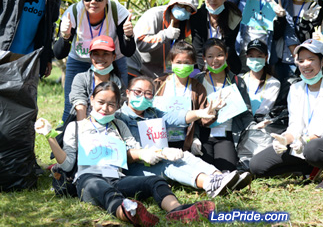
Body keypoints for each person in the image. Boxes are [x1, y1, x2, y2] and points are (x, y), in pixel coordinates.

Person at [35, 81, 215, 224]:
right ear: (91, 100)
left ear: (118, 106)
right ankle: (129, 213)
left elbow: (136, 148)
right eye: (100, 102)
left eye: (111, 104)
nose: (105, 108)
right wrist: (50, 137)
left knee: (155, 181)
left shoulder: (119, 126)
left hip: (117, 177)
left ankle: (177, 210)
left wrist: (160, 152)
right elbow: (66, 163)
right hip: (88, 179)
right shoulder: (76, 127)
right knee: (105, 192)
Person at [116, 76, 252, 197]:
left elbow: (177, 117)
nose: (143, 97)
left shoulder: (153, 113)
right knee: (168, 164)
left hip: (160, 157)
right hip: (137, 168)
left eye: (148, 94)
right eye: (138, 92)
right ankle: (208, 183)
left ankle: (220, 177)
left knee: (185, 155)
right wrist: (145, 154)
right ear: (127, 93)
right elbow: (122, 155)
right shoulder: (120, 118)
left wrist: (201, 112)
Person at [250, 39, 323, 188]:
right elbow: (295, 125)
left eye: (311, 59)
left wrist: (307, 139)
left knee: (313, 149)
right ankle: (309, 167)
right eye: (301, 60)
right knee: (257, 165)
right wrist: (285, 139)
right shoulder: (296, 89)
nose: (306, 65)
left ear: (322, 61)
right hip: (301, 145)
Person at [54, 0, 135, 122]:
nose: (93, 2)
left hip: (111, 61)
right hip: (79, 61)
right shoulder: (73, 13)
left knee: (117, 104)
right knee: (72, 106)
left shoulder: (118, 12)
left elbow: (128, 51)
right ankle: (68, 142)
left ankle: (118, 140)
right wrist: (64, 36)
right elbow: (59, 53)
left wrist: (128, 36)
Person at [228, 0, 300, 82]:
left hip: (266, 54)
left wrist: (297, 54)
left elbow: (289, 26)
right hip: (241, 51)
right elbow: (229, 9)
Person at [193, 38, 254, 171]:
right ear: (204, 58)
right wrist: (194, 138)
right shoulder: (197, 81)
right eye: (210, 56)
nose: (215, 60)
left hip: (226, 134)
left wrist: (254, 127)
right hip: (204, 134)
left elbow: (246, 112)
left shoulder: (236, 81)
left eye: (219, 55)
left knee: (227, 169)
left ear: (226, 56)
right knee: (205, 169)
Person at [128, 0, 198, 79]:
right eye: (180, 5)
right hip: (136, 67)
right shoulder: (154, 15)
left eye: (188, 8)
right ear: (173, 4)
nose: (183, 9)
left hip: (156, 71)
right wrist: (165, 35)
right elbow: (141, 43)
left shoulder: (185, 24)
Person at [190, 0, 242, 74]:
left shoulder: (234, 17)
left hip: (228, 63)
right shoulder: (196, 17)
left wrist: (219, 70)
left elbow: (228, 46)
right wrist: (206, 70)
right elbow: (197, 48)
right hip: (203, 64)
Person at [69, 35, 124, 121]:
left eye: (105, 54)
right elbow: (80, 106)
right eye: (96, 54)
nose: (100, 58)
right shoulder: (80, 78)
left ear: (113, 57)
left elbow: (118, 112)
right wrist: (84, 130)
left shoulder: (118, 83)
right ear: (90, 56)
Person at [240, 39, 281, 119]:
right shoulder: (240, 78)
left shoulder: (274, 83)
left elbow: (264, 110)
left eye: (259, 56)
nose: (255, 60)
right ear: (246, 57)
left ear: (266, 58)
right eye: (251, 56)